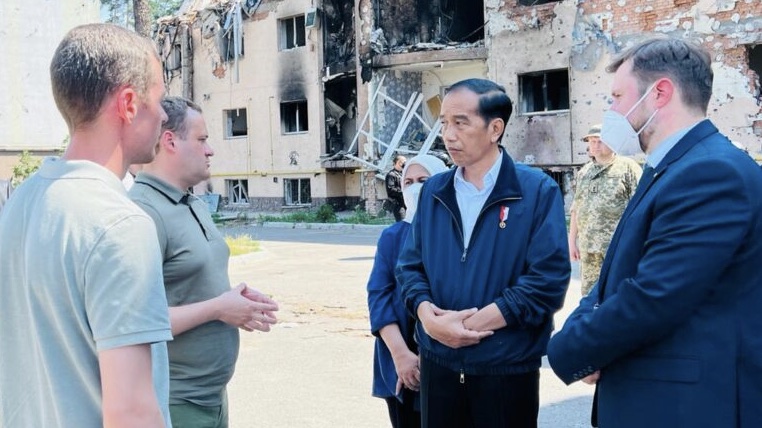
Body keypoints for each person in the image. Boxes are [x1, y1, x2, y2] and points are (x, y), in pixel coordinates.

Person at [547, 37, 762, 427]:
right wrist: (586, 331)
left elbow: (654, 296)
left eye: (616, 96)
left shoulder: (712, 172)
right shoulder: (670, 167)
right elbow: (612, 279)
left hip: (688, 408)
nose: (610, 110)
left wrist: (569, 349)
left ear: (660, 92)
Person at [0, 23, 173, 427]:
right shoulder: (119, 223)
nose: (165, 114)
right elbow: (131, 413)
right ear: (129, 104)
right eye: (159, 98)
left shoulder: (20, 204)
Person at [396, 78, 570, 428]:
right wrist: (429, 319)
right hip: (438, 368)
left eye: (461, 122)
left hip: (505, 371)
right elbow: (409, 268)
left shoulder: (536, 191)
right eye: (444, 122)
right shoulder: (433, 191)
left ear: (495, 129)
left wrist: (467, 326)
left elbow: (547, 282)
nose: (448, 134)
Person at [129, 96, 279, 428]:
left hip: (212, 397)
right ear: (170, 141)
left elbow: (192, 284)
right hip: (176, 401)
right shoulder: (143, 212)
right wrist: (217, 309)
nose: (210, 150)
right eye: (202, 139)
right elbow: (133, 322)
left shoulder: (192, 202)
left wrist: (234, 302)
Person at [367, 154, 449, 428]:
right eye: (409, 182)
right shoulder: (392, 237)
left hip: (447, 357)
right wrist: (401, 355)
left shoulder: (457, 233)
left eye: (424, 181)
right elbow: (378, 297)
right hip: (400, 355)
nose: (415, 188)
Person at [568, 124, 642, 295]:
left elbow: (640, 208)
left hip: (617, 248)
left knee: (618, 293)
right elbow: (576, 208)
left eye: (599, 141)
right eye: (591, 141)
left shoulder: (628, 168)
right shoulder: (584, 172)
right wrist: (572, 241)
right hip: (589, 250)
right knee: (589, 297)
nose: (594, 145)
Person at [385, 154, 407, 221]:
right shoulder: (391, 175)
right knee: (402, 223)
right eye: (404, 162)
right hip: (398, 205)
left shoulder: (403, 174)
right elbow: (391, 190)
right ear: (399, 163)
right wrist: (403, 192)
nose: (405, 163)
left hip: (406, 204)